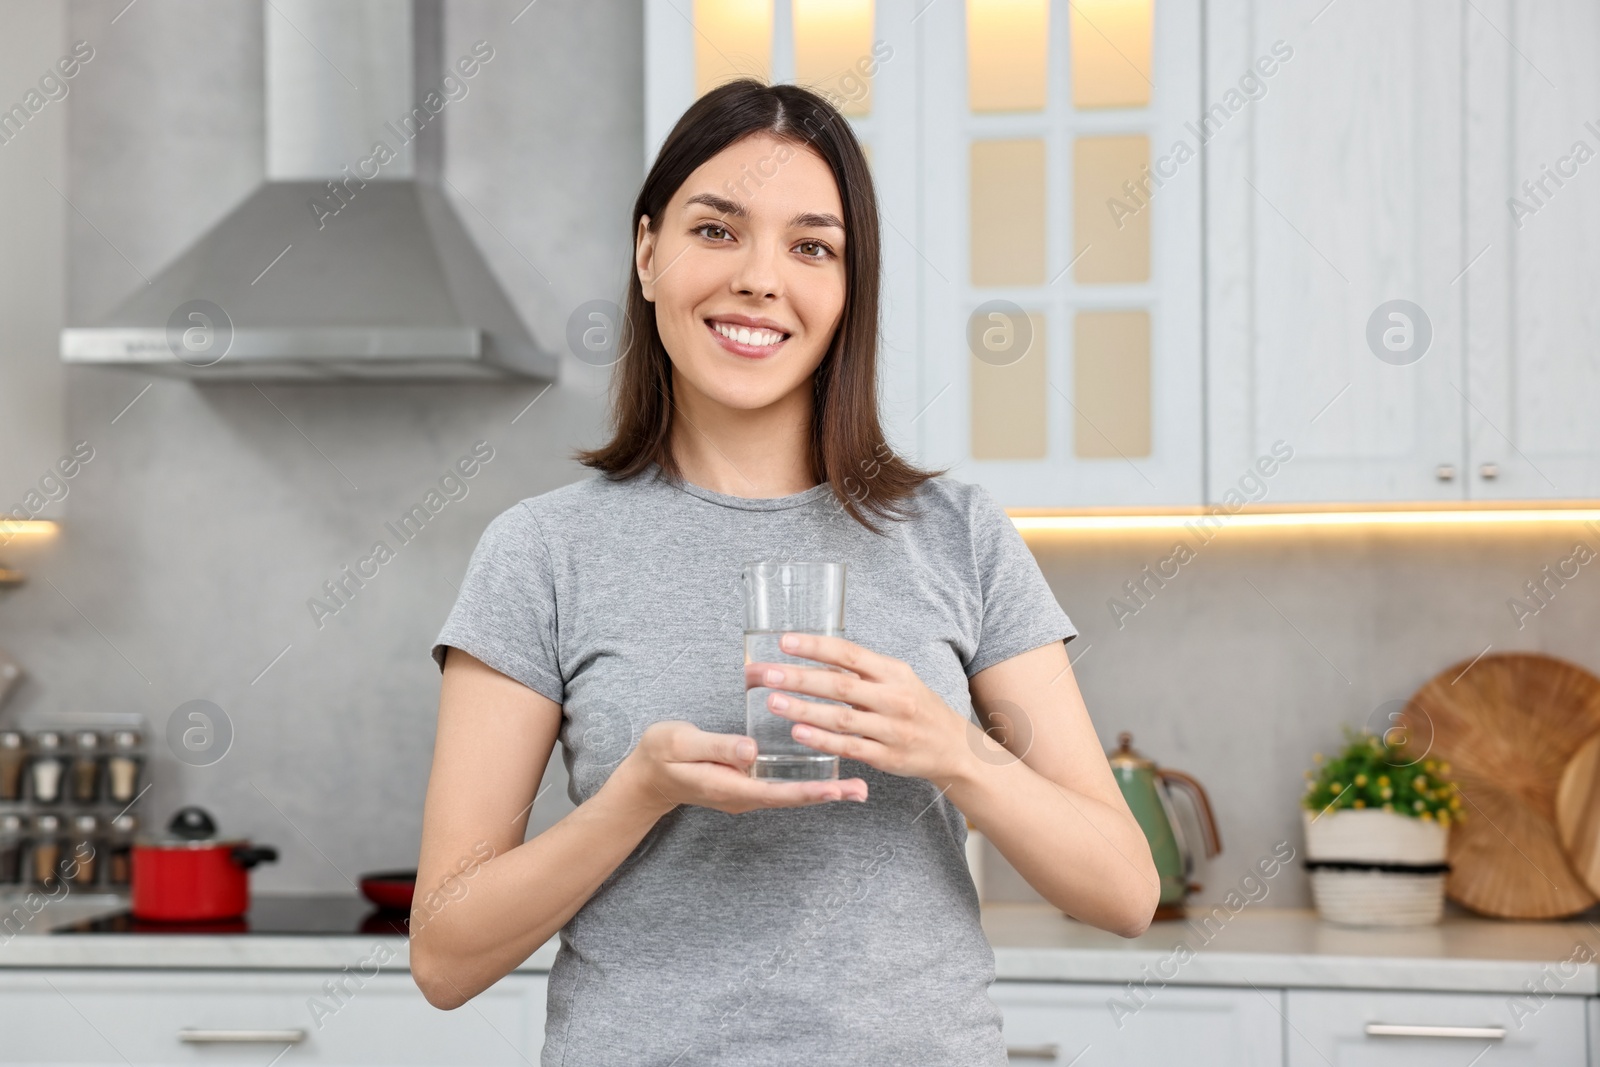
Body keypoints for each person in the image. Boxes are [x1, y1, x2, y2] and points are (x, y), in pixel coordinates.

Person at [412, 78, 1158, 1066]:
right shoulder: (541, 552)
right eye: (716, 230)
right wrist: (638, 792)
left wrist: (951, 749)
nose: (761, 278)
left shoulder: (958, 535)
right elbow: (445, 953)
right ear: (647, 253)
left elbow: (1123, 891)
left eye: (811, 246)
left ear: (849, 287)